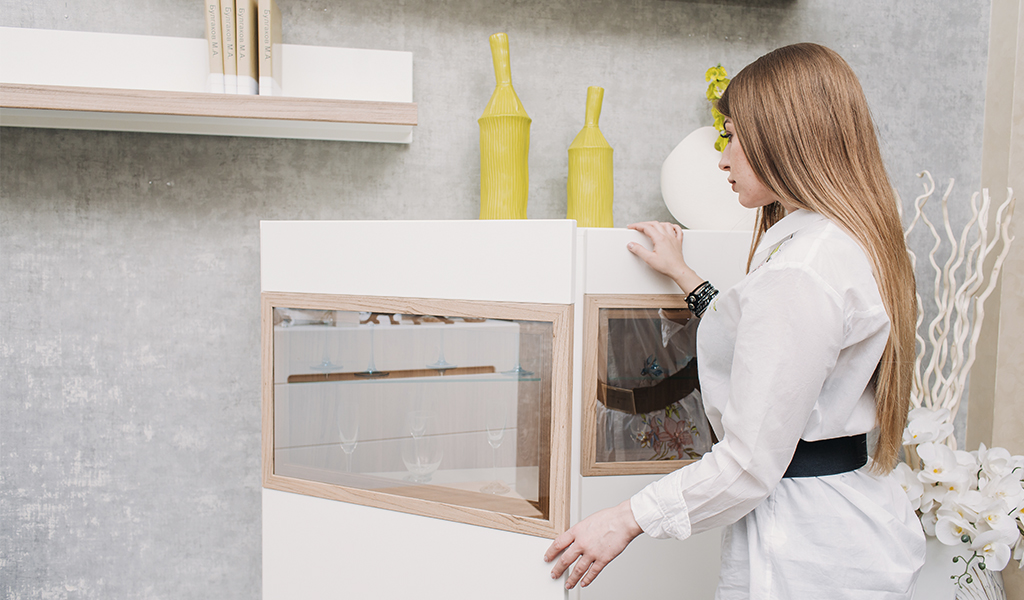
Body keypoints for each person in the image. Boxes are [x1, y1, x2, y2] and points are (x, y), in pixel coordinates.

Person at [543, 43, 926, 599]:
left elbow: (749, 463)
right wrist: (685, 276)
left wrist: (624, 519)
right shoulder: (835, 243)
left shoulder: (801, 270)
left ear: (786, 138)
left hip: (807, 549)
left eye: (733, 136)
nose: (723, 159)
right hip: (840, 521)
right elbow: (768, 337)